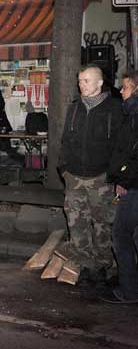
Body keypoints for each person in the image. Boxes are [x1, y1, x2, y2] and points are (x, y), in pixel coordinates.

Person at [57, 66, 123, 284]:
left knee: (103, 223)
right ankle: (86, 264)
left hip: (101, 178)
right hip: (74, 177)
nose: (81, 84)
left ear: (100, 83)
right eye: (80, 80)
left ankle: (104, 264)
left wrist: (114, 175)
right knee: (77, 224)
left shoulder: (115, 108)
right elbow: (65, 140)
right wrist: (64, 169)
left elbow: (120, 147)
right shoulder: (74, 108)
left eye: (86, 80)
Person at [102, 71, 138, 303]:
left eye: (125, 87)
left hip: (133, 185)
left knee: (121, 234)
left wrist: (123, 181)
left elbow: (132, 153)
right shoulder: (130, 113)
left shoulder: (134, 115)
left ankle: (129, 290)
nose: (121, 91)